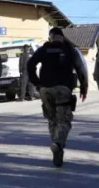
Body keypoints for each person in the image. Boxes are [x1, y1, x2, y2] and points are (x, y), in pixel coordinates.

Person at [27, 27, 88, 167]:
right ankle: (58, 144)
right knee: (64, 120)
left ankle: (57, 149)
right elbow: (80, 69)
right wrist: (84, 88)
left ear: (51, 37)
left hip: (45, 90)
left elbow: (30, 64)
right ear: (62, 37)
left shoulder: (44, 49)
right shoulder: (70, 50)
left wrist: (37, 82)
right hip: (63, 89)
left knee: (52, 119)